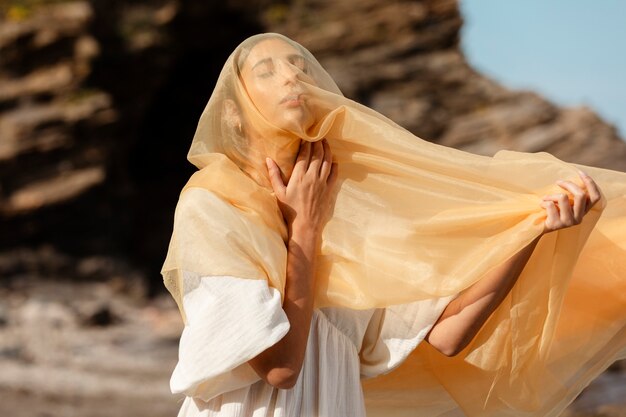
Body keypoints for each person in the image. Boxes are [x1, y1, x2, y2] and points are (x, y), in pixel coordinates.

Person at [162, 33, 626, 417]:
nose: (291, 76)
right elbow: (280, 368)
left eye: (300, 65)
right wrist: (304, 228)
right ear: (232, 114)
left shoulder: (351, 216)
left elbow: (447, 335)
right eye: (266, 71)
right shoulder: (214, 207)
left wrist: (532, 229)